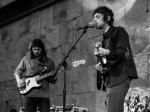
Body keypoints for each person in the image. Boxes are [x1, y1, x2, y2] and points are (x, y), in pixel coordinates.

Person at [93, 6, 138, 112]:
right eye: (93, 17)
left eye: (97, 17)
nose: (94, 20)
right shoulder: (104, 40)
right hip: (111, 81)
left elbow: (124, 52)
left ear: (108, 18)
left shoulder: (119, 31)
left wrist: (106, 52)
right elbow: (107, 61)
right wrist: (102, 65)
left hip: (120, 78)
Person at [14, 39, 57, 112]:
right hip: (30, 94)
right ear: (31, 49)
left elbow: (53, 80)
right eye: (34, 49)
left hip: (44, 94)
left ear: (42, 49)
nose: (36, 51)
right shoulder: (26, 59)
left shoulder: (49, 62)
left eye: (38, 49)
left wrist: (53, 78)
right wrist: (18, 81)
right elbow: (17, 71)